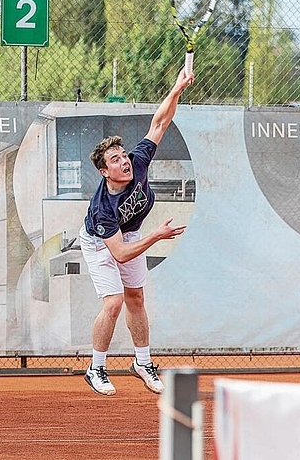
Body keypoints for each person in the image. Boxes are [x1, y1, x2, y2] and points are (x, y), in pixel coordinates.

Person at [79, 68, 194, 396]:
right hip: (102, 243)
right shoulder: (103, 208)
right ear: (105, 172)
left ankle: (142, 363)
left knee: (136, 297)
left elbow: (159, 123)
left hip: (128, 235)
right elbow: (119, 253)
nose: (124, 162)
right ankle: (96, 367)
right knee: (114, 301)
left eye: (123, 155)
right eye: (115, 160)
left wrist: (177, 86)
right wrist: (157, 236)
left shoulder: (138, 160)